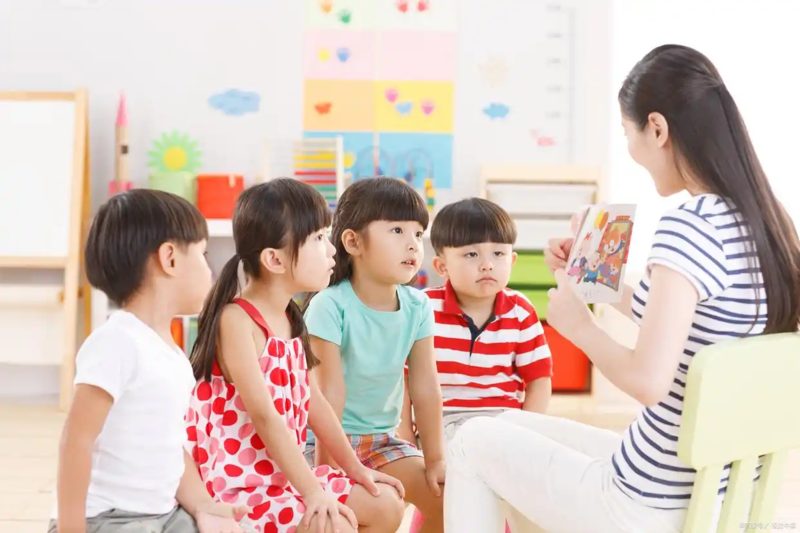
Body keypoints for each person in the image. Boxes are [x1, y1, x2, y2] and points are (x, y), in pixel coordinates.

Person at [443, 44, 800, 533]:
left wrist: (580, 327)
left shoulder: (689, 225)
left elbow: (648, 381)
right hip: (714, 490)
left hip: (648, 503)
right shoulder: (768, 224)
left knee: (469, 440)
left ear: (657, 128)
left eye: (628, 133)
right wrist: (597, 283)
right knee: (501, 425)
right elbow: (691, 321)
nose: (631, 149)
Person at [185, 179, 406, 533]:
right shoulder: (236, 320)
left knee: (386, 506)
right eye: (318, 238)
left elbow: (314, 401)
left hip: (288, 476)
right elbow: (265, 417)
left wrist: (355, 469)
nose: (332, 250)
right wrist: (313, 492)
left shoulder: (291, 316)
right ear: (274, 259)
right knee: (336, 525)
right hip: (245, 488)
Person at [51, 190, 248, 533]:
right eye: (203, 254)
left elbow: (169, 448)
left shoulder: (170, 354)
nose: (210, 269)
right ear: (170, 258)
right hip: (107, 519)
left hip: (162, 515)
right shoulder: (117, 341)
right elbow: (76, 440)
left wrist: (203, 505)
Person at [401, 198, 553, 533]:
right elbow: (403, 382)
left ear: (512, 259)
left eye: (498, 254)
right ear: (442, 266)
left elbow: (539, 380)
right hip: (440, 425)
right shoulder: (422, 308)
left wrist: (527, 431)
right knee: (446, 494)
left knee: (509, 495)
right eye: (471, 255)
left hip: (502, 423)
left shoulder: (520, 310)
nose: (487, 265)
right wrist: (408, 443)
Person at [303, 177, 446, 533]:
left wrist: (435, 460)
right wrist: (328, 471)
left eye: (418, 233)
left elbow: (426, 387)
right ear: (353, 242)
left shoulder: (418, 306)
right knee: (379, 508)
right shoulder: (330, 305)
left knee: (448, 496)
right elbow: (328, 392)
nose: (413, 244)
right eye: (397, 230)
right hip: (323, 442)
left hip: (382, 441)